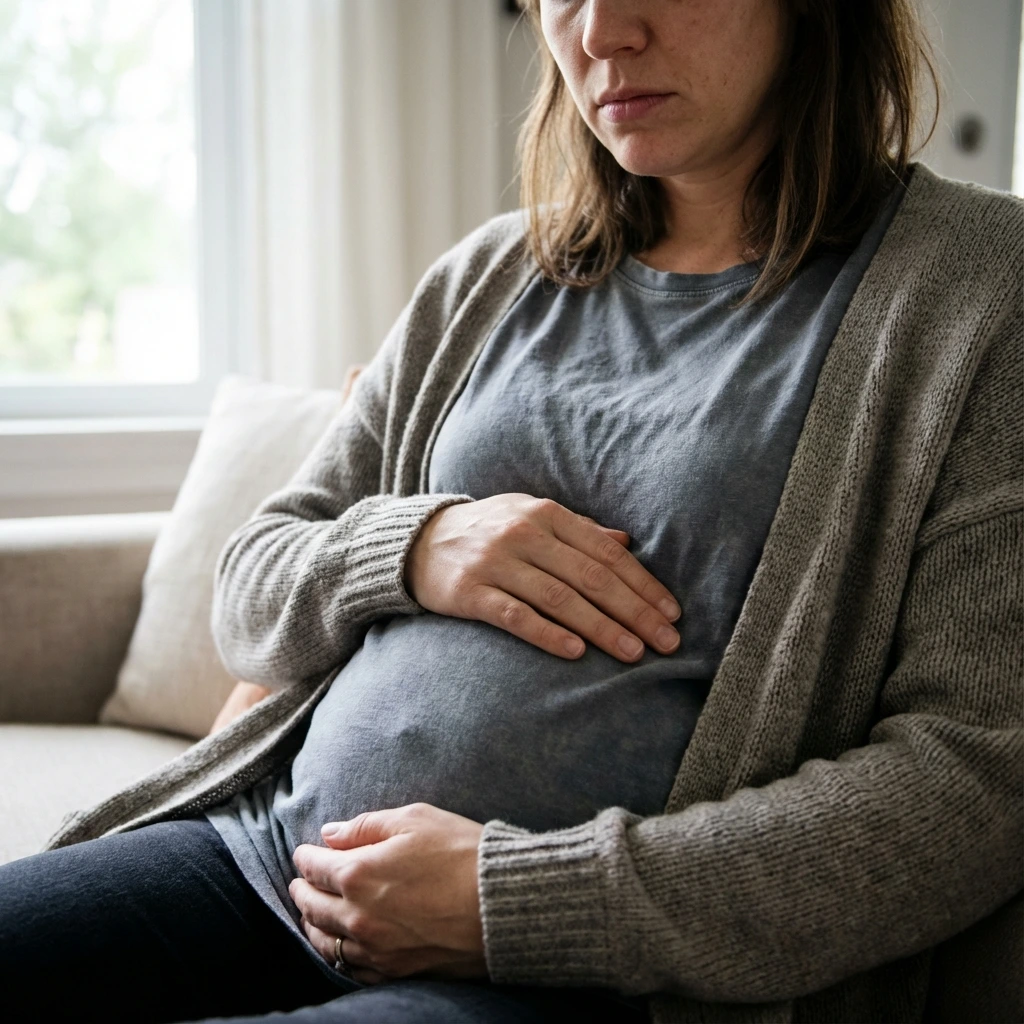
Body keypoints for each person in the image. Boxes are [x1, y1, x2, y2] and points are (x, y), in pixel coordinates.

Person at [2, 1, 1021, 1022]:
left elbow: (977, 778)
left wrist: (515, 905)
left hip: (580, 973)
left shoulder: (977, 291)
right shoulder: (492, 275)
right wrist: (414, 546)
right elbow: (249, 586)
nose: (601, 31)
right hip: (265, 860)